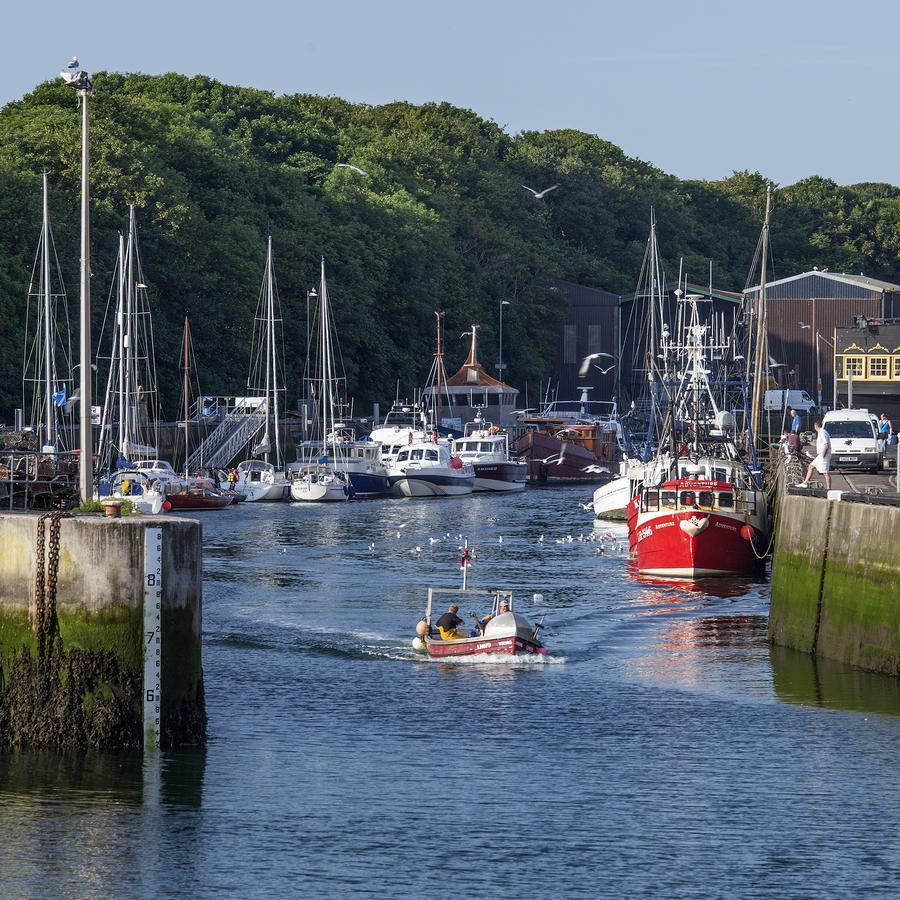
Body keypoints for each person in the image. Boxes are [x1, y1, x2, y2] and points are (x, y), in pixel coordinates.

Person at [797, 419, 832, 490]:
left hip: (823, 455)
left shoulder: (822, 433)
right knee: (811, 466)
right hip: (820, 455)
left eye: (814, 426)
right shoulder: (821, 432)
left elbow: (826, 445)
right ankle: (805, 483)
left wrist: (823, 455)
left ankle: (829, 488)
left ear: (816, 426)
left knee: (825, 472)